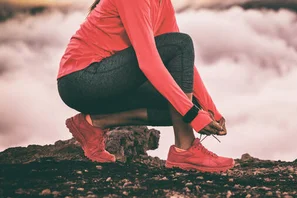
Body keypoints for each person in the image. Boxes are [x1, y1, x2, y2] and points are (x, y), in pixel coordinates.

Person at [57, 0, 234, 172]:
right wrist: (192, 115)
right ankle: (186, 150)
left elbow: (181, 66)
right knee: (182, 53)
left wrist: (211, 111)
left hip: (110, 81)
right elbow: (150, 62)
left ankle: (92, 123)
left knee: (186, 102)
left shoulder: (162, 2)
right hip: (80, 80)